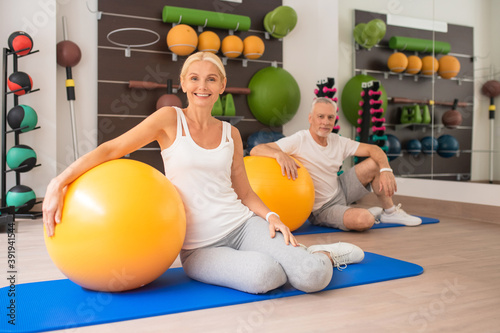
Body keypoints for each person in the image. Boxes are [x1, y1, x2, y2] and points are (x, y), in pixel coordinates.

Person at [42, 52, 365, 295]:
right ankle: (291, 257)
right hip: (199, 247)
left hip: (242, 225)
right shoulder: (169, 119)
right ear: (183, 83)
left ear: (222, 86)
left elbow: (246, 193)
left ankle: (324, 255)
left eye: (211, 79)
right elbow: (112, 149)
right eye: (194, 78)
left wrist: (271, 217)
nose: (202, 85)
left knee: (312, 276)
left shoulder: (230, 134)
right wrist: (60, 181)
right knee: (265, 276)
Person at [250, 97, 422, 232]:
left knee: (375, 164)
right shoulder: (300, 140)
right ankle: (369, 214)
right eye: (321, 117)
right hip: (322, 208)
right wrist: (279, 154)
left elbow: (374, 149)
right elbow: (256, 150)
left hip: (341, 188)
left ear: (334, 120)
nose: (325, 122)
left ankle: (390, 212)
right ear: (311, 118)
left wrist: (386, 169)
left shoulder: (337, 141)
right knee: (365, 220)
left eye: (330, 117)